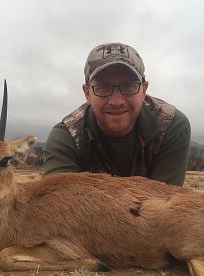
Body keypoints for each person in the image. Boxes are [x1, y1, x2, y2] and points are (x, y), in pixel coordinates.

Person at [43, 42, 191, 186]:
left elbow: (165, 205)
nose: (116, 101)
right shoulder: (65, 138)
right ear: (87, 93)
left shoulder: (172, 125)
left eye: (128, 86)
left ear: (144, 90)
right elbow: (60, 208)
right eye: (103, 88)